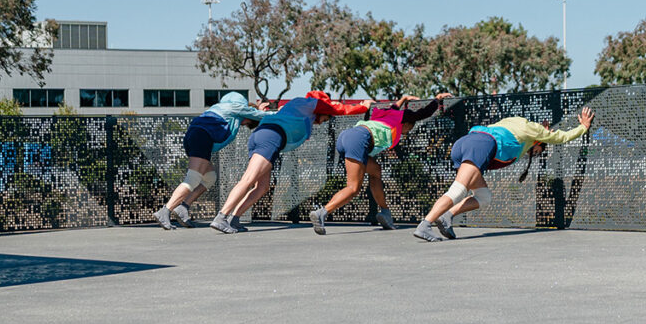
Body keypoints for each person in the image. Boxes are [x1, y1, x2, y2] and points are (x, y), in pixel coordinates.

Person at [413, 106, 595, 242]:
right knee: (458, 190)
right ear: (540, 141)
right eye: (538, 150)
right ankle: (426, 224)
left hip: (465, 143)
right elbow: (560, 137)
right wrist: (583, 128)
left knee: (484, 196)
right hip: (481, 144)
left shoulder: (515, 122)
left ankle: (446, 216)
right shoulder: (534, 131)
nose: (535, 152)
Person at [210, 91, 371, 234]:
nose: (322, 122)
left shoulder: (295, 105)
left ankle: (234, 219)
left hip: (264, 135)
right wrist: (363, 106)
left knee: (262, 186)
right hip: (271, 136)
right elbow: (339, 109)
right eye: (325, 118)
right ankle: (222, 216)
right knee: (248, 179)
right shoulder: (311, 103)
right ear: (322, 109)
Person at [308, 92, 453, 234]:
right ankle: (322, 212)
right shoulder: (401, 119)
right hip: (359, 138)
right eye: (408, 129)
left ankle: (385, 212)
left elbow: (394, 107)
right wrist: (437, 99)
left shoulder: (386, 115)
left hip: (348, 136)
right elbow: (423, 113)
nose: (406, 133)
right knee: (353, 188)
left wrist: (403, 99)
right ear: (407, 123)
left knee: (376, 170)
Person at [154, 92, 270, 229]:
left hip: (196, 136)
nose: (244, 123)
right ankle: (165, 210)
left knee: (209, 177)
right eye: (247, 121)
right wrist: (280, 112)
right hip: (202, 137)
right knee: (193, 179)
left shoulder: (218, 108)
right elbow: (261, 115)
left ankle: (183, 207)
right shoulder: (235, 107)